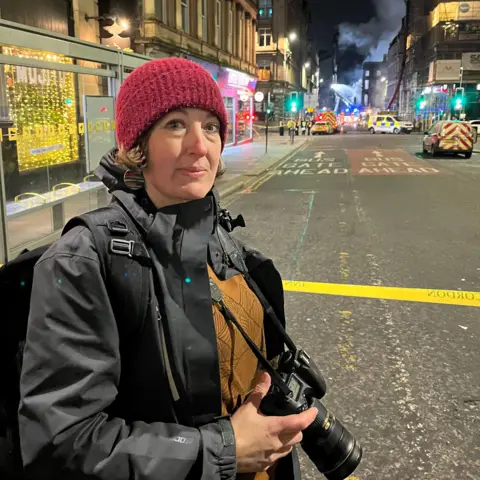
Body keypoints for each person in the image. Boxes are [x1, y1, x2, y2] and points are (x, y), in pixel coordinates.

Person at [18, 58, 317, 480]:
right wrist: (222, 451)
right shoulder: (83, 261)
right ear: (137, 147)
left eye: (210, 126)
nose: (200, 145)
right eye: (175, 125)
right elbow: (62, 441)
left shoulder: (225, 243)